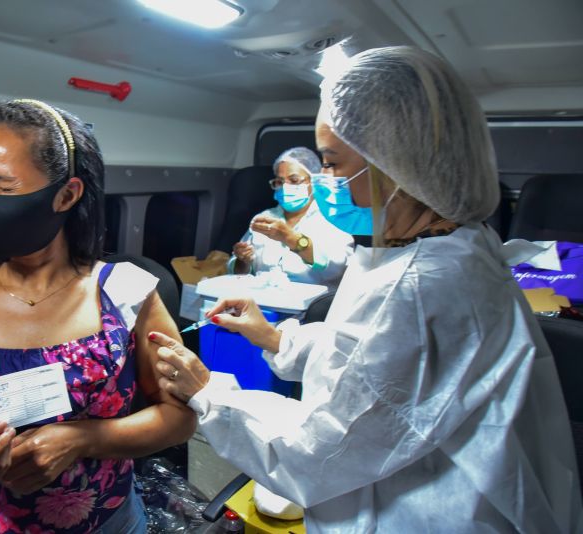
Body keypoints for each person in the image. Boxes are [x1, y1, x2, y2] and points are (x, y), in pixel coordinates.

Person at [149, 46, 583, 532]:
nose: (326, 183)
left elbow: (322, 451)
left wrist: (209, 394)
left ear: (398, 162)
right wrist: (275, 338)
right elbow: (366, 358)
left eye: (333, 164)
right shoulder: (436, 242)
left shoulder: (419, 284)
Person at [0, 99, 196, 533]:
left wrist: (83, 439)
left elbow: (180, 416)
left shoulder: (126, 295)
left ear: (66, 194)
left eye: (4, 187)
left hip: (111, 523)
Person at [228, 147, 354, 288]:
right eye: (280, 182)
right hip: (263, 301)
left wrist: (291, 239)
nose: (285, 187)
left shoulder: (333, 218)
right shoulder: (264, 218)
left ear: (314, 182)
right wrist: (242, 261)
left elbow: (338, 270)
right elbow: (239, 273)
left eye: (294, 181)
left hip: (312, 306)